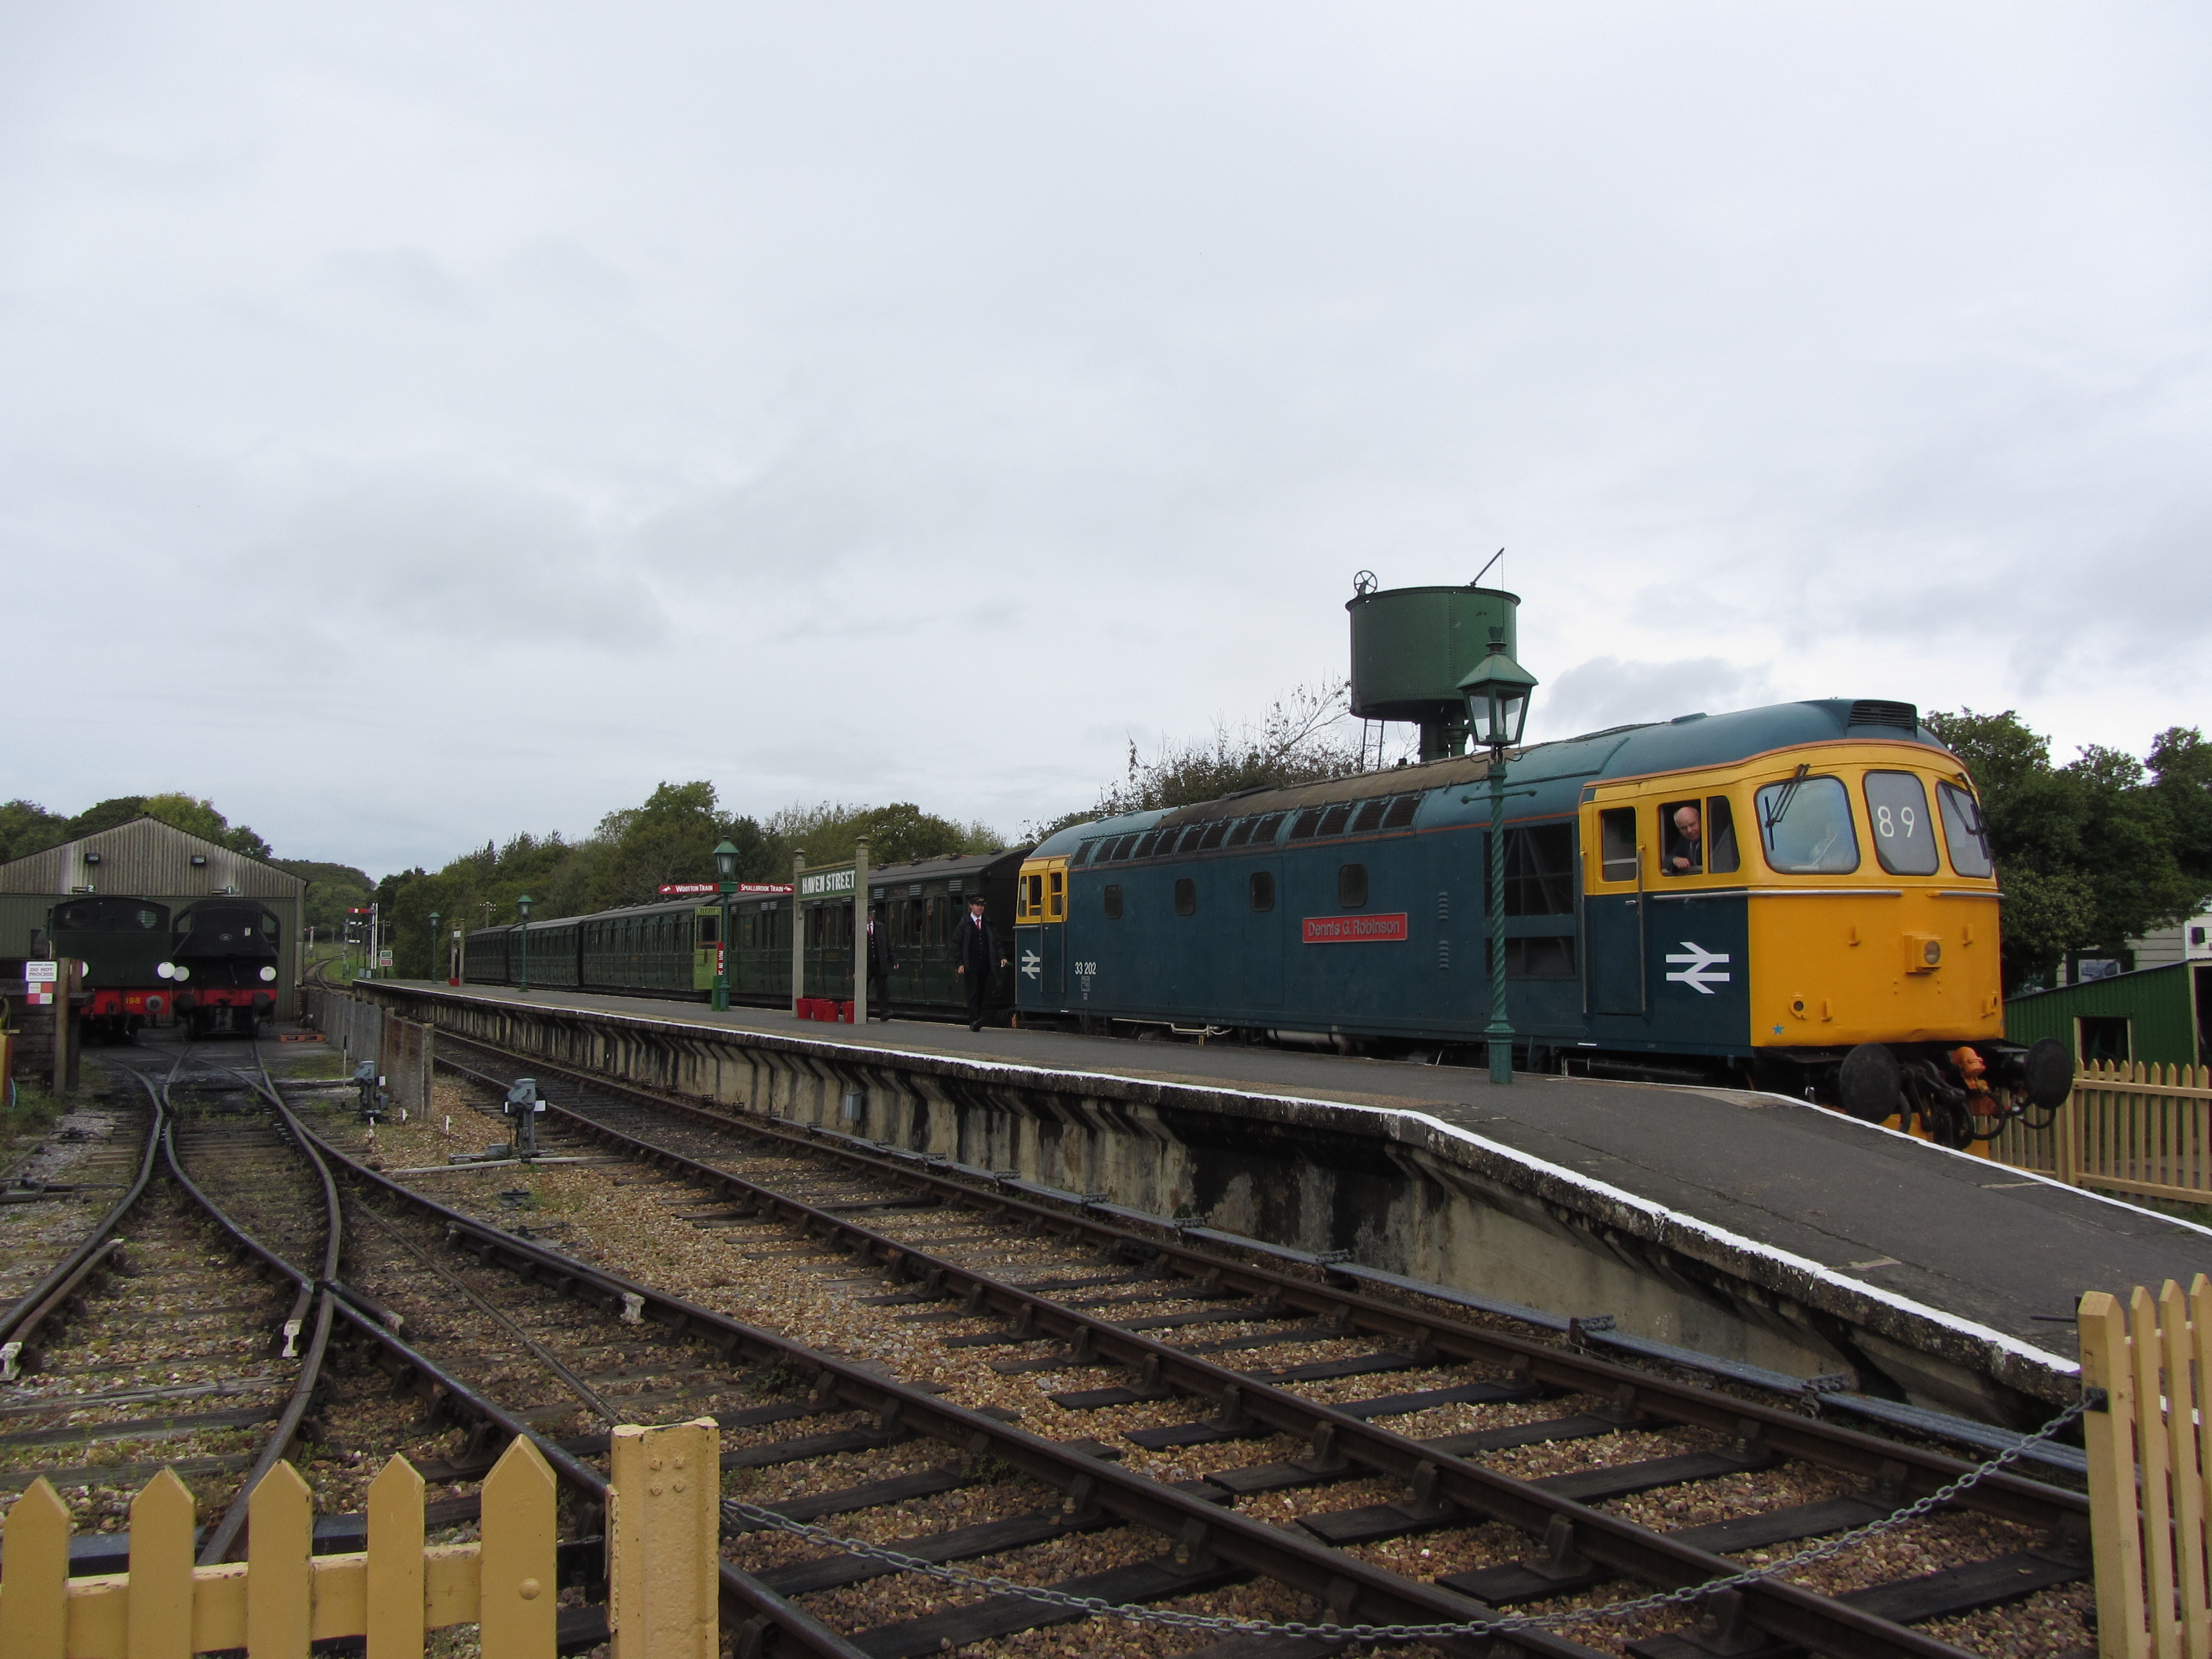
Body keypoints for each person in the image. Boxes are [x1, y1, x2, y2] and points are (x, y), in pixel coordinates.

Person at [951, 893, 1005, 1031]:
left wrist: (1001, 957)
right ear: (971, 906)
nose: (980, 908)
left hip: (985, 964)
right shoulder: (964, 924)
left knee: (982, 992)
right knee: (973, 992)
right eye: (977, 905)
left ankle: (978, 1017)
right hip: (971, 964)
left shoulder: (988, 923)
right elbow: (956, 944)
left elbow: (995, 942)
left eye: (982, 906)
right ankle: (974, 1020)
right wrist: (960, 963)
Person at [865, 905, 898, 1021]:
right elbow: (853, 951)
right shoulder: (857, 929)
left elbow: (888, 945)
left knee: (882, 989)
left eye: (871, 915)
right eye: (868, 916)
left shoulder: (881, 927)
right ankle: (863, 1013)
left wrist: (893, 960)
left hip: (879, 964)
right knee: (863, 990)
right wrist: (854, 969)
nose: (870, 918)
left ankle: (885, 1012)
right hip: (865, 966)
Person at [1666, 804, 1703, 874]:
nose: (1689, 831)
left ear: (1701, 821)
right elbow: (1667, 860)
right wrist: (1675, 860)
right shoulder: (1684, 841)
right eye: (1684, 828)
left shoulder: (1713, 838)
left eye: (1692, 825)